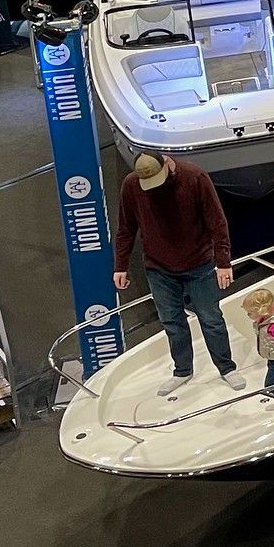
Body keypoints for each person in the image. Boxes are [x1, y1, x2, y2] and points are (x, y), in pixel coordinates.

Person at [111, 152, 244, 396]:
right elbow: (126, 228)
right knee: (172, 321)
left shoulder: (194, 177)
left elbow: (217, 221)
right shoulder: (132, 185)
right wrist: (121, 265)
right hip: (158, 267)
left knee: (211, 319)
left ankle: (226, 367)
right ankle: (182, 370)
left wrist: (223, 262)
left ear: (167, 163)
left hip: (199, 264)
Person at [243, 287, 274, 400]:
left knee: (272, 384)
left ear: (261, 311)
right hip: (273, 356)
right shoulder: (264, 321)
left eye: (250, 313)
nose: (248, 315)